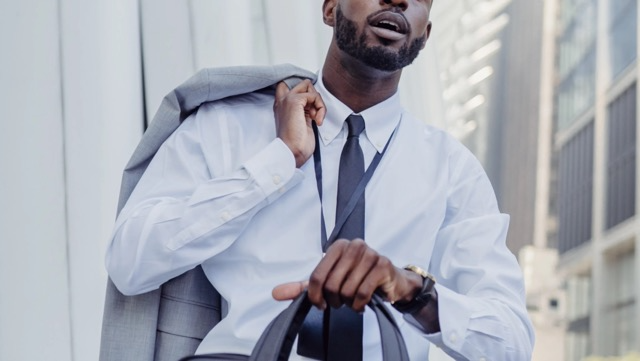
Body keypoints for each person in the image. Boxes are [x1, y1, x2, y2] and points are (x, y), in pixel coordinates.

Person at [106, 0, 535, 360]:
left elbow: (511, 341)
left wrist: (413, 292)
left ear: (425, 34)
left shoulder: (451, 169)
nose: (398, 0)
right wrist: (277, 162)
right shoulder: (225, 126)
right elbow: (130, 262)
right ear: (330, 8)